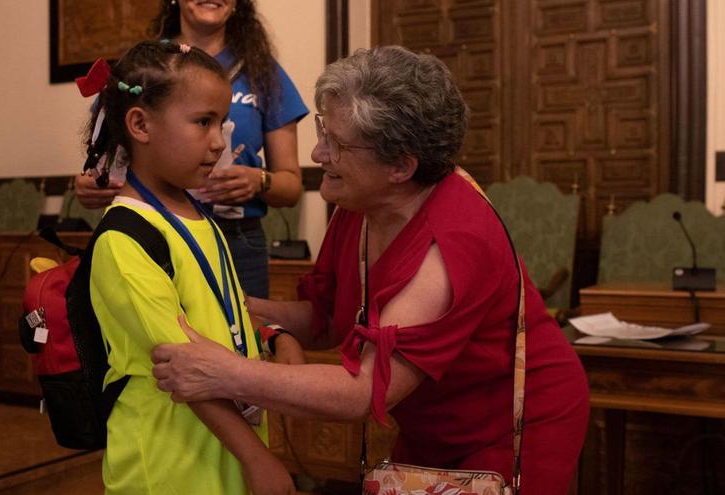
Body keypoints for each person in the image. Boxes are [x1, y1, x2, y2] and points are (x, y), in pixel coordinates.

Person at [151, 46, 590, 495]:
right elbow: (325, 316)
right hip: (432, 422)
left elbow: (361, 391)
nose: (318, 153)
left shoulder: (453, 242)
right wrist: (236, 305)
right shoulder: (360, 203)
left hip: (518, 425)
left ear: (400, 165)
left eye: (336, 142)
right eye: (322, 128)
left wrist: (225, 373)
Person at [84, 40, 296, 495]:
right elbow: (180, 362)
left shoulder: (198, 215)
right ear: (140, 124)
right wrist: (258, 458)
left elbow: (221, 313)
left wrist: (271, 336)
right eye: (203, 122)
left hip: (224, 446)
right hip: (167, 461)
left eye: (221, 122)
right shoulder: (125, 238)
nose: (219, 141)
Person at [77, 0, 308, 299]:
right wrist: (88, 186)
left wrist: (259, 180)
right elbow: (105, 155)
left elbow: (291, 186)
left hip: (235, 240)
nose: (217, 142)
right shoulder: (145, 68)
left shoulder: (263, 72)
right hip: (152, 227)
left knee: (244, 335)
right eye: (202, 121)